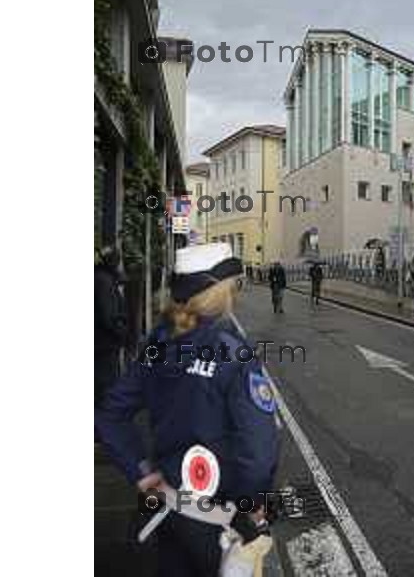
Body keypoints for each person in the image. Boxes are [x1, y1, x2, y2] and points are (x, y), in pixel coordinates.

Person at [95, 243, 279, 576]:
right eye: (232, 285)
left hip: (164, 514)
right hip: (219, 529)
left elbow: (110, 415)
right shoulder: (234, 354)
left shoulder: (158, 343)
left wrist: (142, 471)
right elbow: (258, 453)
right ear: (217, 291)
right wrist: (250, 507)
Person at [95, 245, 127, 407]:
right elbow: (109, 315)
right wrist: (122, 333)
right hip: (105, 343)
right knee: (106, 383)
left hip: (102, 341)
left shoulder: (101, 277)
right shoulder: (104, 281)